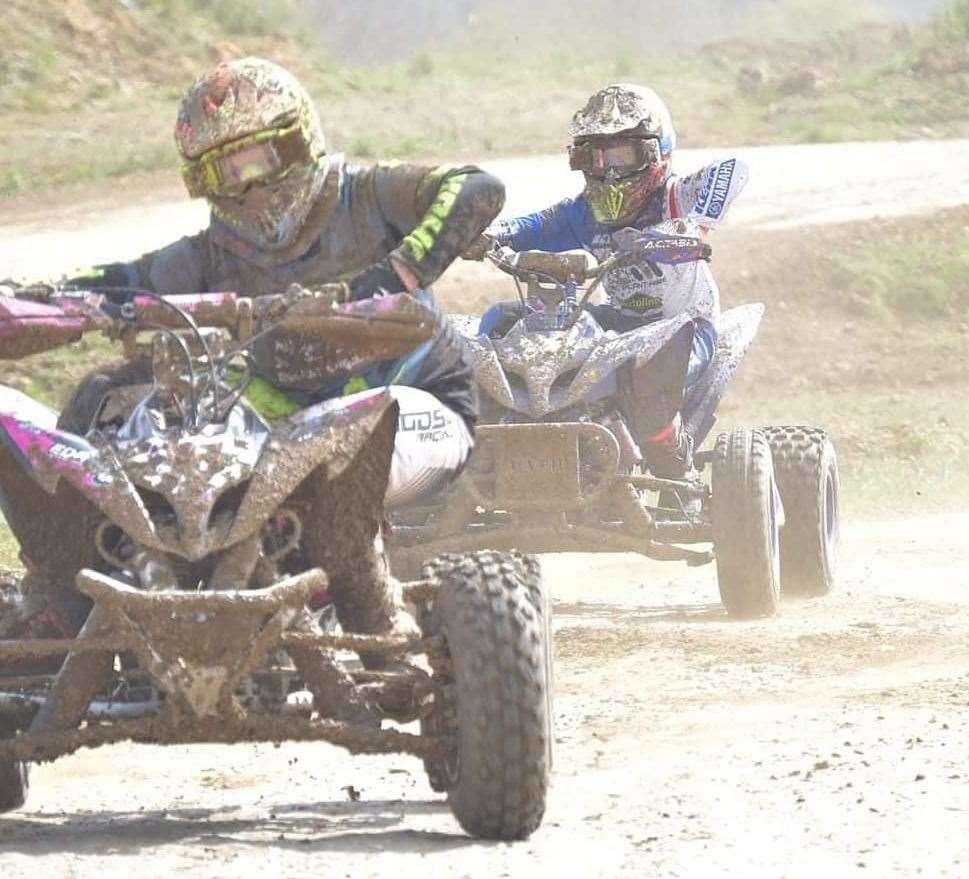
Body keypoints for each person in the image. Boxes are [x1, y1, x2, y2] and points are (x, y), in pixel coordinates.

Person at [0, 57, 504, 651]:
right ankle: (67, 595)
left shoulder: (366, 196)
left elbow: (475, 187)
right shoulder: (206, 254)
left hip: (411, 404)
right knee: (108, 398)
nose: (244, 187)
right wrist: (37, 304)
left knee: (336, 458)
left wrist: (401, 268)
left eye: (255, 162)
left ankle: (364, 600)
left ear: (297, 143)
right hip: (279, 422)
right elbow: (116, 281)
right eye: (221, 172)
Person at [474, 83, 747, 478]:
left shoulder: (676, 196)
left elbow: (734, 167)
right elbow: (532, 225)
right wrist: (484, 233)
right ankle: (485, 448)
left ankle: (674, 460)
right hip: (615, 324)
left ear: (656, 151)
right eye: (594, 155)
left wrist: (693, 225)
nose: (608, 168)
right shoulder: (584, 214)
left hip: (684, 326)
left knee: (645, 371)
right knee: (502, 322)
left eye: (622, 153)